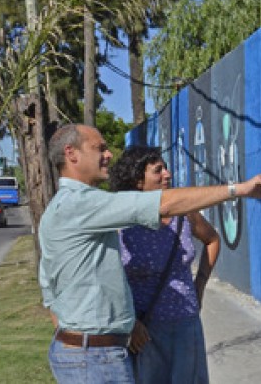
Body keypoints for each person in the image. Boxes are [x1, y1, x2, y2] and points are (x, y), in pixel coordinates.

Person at [38, 124, 261, 383]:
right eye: (99, 148)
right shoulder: (80, 204)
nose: (109, 154)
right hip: (96, 355)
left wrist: (75, 339)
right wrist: (240, 189)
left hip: (99, 350)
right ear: (71, 153)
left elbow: (50, 289)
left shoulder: (67, 207)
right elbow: (165, 203)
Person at [109, 146, 219, 383]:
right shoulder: (121, 223)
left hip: (186, 323)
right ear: (138, 181)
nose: (167, 174)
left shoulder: (185, 214)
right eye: (158, 171)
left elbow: (212, 240)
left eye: (166, 168)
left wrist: (199, 285)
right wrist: (129, 322)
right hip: (144, 332)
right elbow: (109, 278)